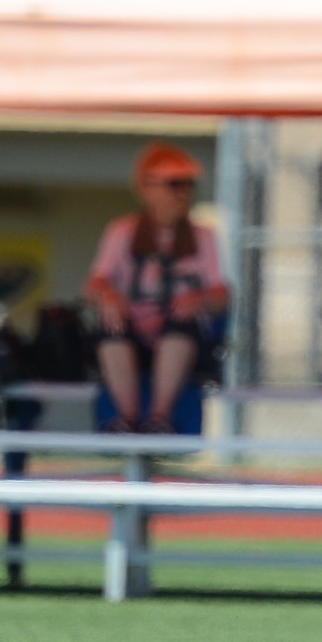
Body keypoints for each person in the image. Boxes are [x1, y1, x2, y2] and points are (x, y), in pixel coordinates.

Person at [85, 143, 229, 433]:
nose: (184, 193)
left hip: (183, 344)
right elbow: (94, 283)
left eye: (188, 185)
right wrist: (108, 295)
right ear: (147, 188)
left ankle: (159, 418)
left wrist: (198, 300)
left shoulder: (204, 236)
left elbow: (221, 295)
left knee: (179, 328)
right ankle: (126, 418)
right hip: (132, 337)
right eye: (174, 185)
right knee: (110, 326)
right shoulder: (122, 231)